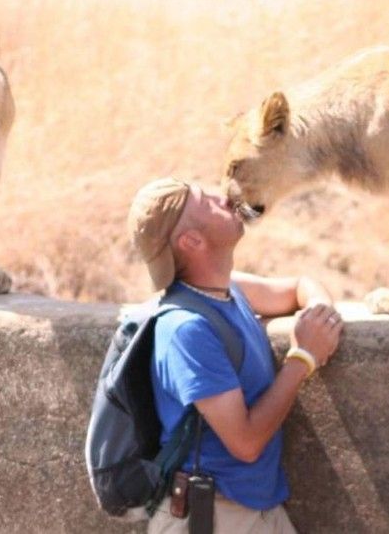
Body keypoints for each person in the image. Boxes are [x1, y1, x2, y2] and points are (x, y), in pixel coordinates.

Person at [127, 177, 344, 534]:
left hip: (256, 509)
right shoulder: (187, 329)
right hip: (213, 517)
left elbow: (298, 286)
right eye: (205, 201)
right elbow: (245, 443)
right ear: (192, 241)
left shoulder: (229, 291)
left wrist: (319, 312)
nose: (222, 194)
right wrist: (303, 356)